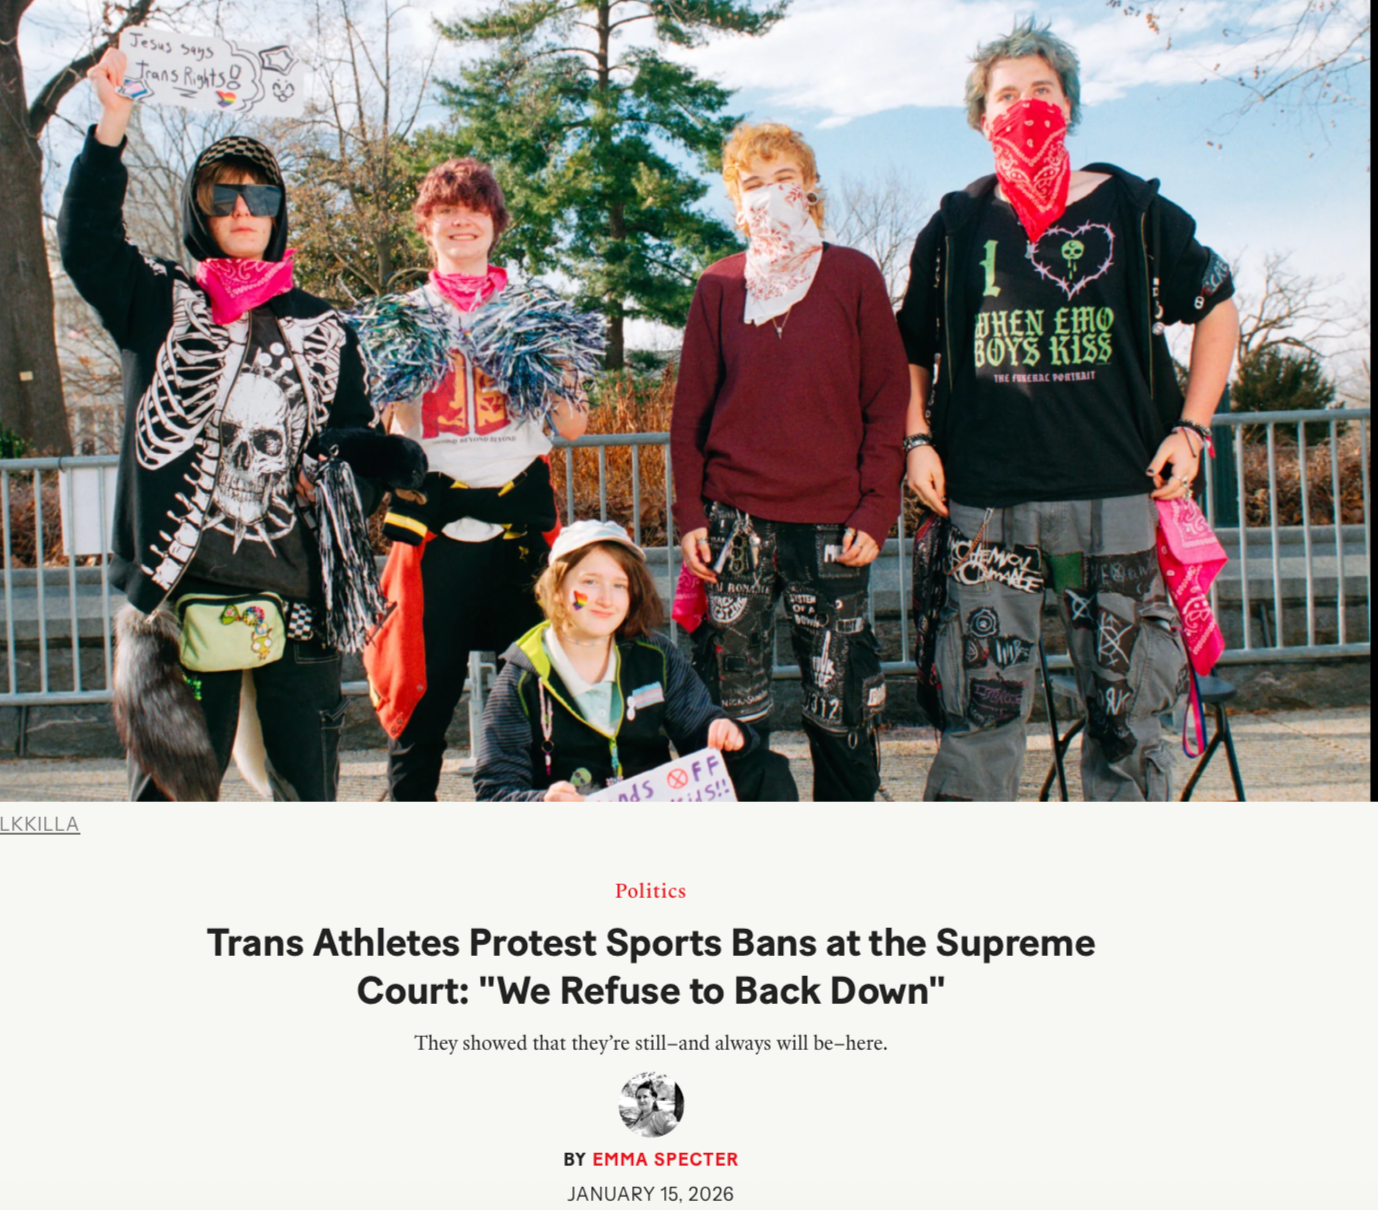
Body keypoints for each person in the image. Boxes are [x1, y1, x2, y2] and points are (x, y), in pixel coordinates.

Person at [59, 50, 419, 801]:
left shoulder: (325, 325)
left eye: (260, 193)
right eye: (223, 195)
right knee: (171, 805)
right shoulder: (155, 301)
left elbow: (341, 436)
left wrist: (372, 460)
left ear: (279, 210)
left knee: (306, 802)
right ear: (201, 211)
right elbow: (85, 245)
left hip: (299, 596)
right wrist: (112, 125)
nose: (244, 209)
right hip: (182, 592)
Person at [897, 19, 1240, 801]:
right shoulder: (955, 226)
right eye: (1005, 95)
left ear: (1069, 105)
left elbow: (1216, 303)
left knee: (1127, 721)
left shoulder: (1136, 208)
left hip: (1116, 499)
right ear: (982, 117)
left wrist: (1192, 428)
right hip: (985, 505)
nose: (1024, 106)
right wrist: (916, 437)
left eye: (1041, 90)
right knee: (979, 722)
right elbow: (908, 347)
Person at [671, 122, 909, 803]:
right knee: (731, 702)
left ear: (808, 189)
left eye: (784, 181)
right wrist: (690, 512)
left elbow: (887, 403)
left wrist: (875, 506)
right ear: (736, 203)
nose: (771, 196)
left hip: (834, 525)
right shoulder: (718, 286)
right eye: (753, 185)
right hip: (734, 523)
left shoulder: (853, 274)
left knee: (841, 698)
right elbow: (690, 411)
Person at [352, 159, 604, 801]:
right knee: (423, 698)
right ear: (426, 229)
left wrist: (556, 365)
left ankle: (542, 813)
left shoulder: (533, 310)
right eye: (444, 211)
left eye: (475, 210)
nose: (460, 221)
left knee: (540, 694)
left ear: (495, 225)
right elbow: (398, 433)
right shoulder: (402, 315)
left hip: (520, 528)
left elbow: (571, 426)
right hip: (436, 529)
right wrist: (401, 386)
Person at [474, 521, 798, 802]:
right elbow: (495, 790)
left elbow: (698, 726)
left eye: (619, 585)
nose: (605, 598)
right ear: (558, 587)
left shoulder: (654, 654)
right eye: (589, 582)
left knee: (767, 769)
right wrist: (542, 802)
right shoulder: (522, 677)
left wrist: (723, 730)